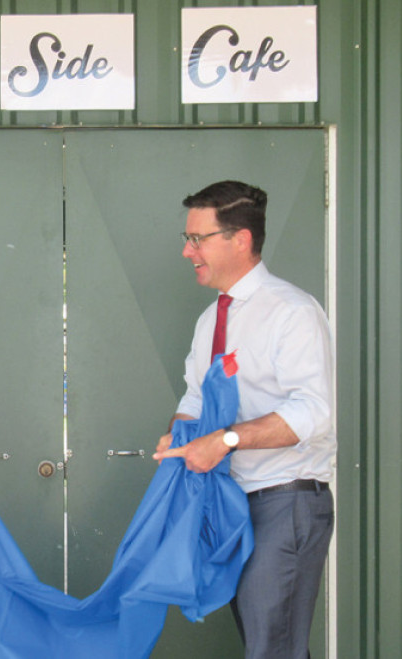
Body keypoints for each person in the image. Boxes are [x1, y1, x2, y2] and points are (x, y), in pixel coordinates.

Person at [153, 181, 335, 659]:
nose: (187, 251)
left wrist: (226, 440)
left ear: (241, 240)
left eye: (198, 238)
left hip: (285, 501)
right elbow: (195, 394)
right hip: (232, 503)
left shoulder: (292, 312)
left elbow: (314, 411)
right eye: (187, 238)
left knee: (272, 649)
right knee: (271, 646)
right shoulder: (211, 318)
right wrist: (180, 432)